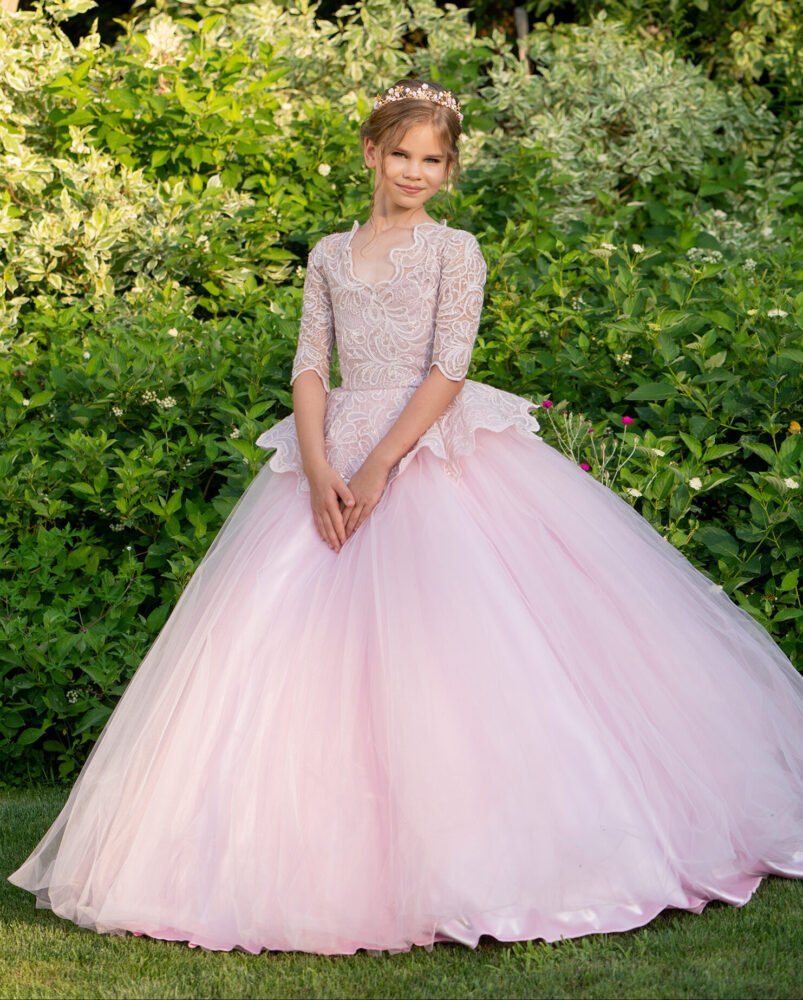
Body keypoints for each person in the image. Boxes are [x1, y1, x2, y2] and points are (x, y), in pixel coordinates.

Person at [8, 78, 803, 958]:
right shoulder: (327, 253)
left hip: (426, 447)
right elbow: (311, 367)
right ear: (370, 154)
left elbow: (450, 368)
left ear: (449, 170)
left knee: (454, 651)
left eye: (433, 159)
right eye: (401, 154)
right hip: (332, 447)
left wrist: (382, 462)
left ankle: (488, 850)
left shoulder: (453, 252)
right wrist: (317, 470)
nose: (415, 171)